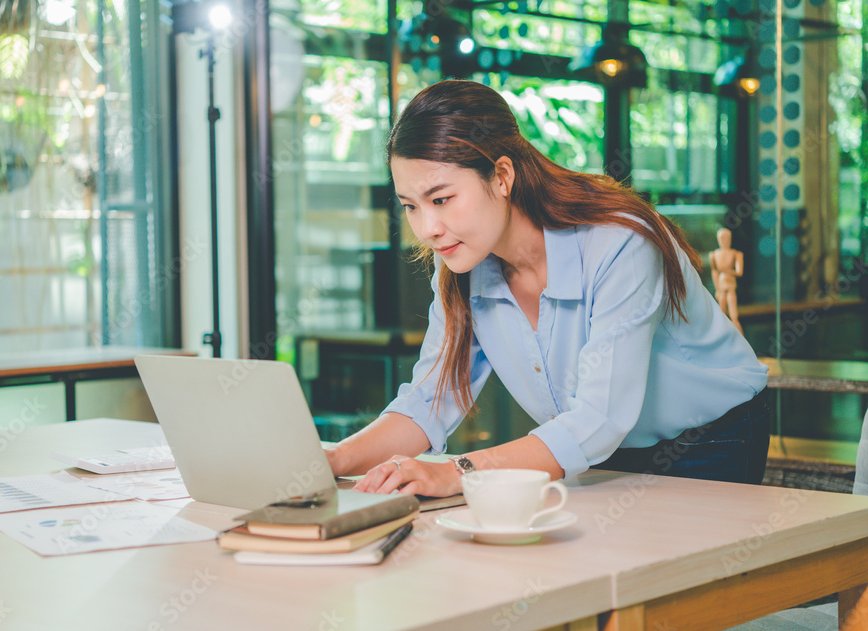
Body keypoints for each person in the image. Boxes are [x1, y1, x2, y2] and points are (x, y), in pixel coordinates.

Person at [324, 79, 769, 498]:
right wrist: (334, 459)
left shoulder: (619, 243)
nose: (428, 229)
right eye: (410, 207)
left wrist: (455, 473)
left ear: (501, 176)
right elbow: (429, 400)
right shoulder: (462, 269)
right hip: (597, 447)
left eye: (441, 199)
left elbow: (599, 419)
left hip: (712, 437)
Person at [709, 227, 744, 333]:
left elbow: (739, 272)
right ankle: (722, 336)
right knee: (721, 315)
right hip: (721, 285)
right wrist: (717, 288)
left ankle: (740, 339)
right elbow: (714, 272)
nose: (724, 241)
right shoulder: (714, 255)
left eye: (726, 238)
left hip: (730, 286)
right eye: (721, 238)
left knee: (734, 315)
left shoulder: (736, 254)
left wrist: (728, 270)